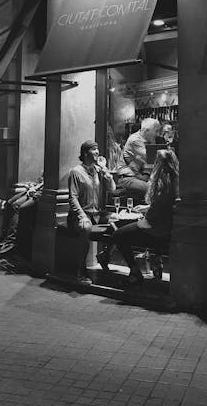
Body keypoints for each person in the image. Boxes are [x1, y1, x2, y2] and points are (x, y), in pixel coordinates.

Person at [108, 149, 179, 285]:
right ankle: (156, 263)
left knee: (118, 235)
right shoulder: (175, 180)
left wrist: (144, 214)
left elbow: (153, 217)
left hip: (155, 230)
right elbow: (163, 205)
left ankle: (134, 270)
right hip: (167, 228)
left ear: (159, 164)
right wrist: (147, 208)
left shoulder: (162, 181)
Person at [67, 140, 116, 285]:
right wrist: (81, 216)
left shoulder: (99, 171)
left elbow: (112, 189)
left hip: (97, 214)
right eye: (94, 150)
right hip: (80, 215)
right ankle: (81, 270)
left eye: (98, 150)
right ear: (85, 153)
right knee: (86, 228)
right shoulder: (76, 172)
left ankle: (105, 255)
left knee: (118, 223)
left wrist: (106, 172)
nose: (97, 152)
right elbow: (73, 197)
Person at [0, 173, 44, 258]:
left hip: (39, 193)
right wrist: (32, 186)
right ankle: (4, 235)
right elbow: (39, 180)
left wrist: (34, 190)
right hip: (34, 189)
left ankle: (11, 241)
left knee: (18, 207)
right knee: (9, 203)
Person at [116, 117, 161, 203]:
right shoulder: (135, 140)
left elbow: (151, 162)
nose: (158, 134)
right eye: (156, 131)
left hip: (139, 177)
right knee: (154, 190)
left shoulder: (150, 140)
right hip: (127, 178)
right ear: (146, 130)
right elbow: (151, 158)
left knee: (163, 188)